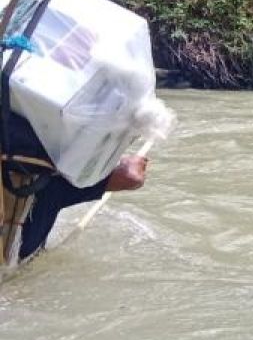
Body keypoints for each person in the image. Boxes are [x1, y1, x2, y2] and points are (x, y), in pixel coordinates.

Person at [4, 112, 148, 261]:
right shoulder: (49, 185)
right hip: (20, 263)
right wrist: (130, 161)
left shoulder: (48, 184)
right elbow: (130, 178)